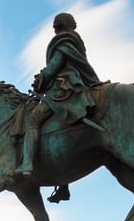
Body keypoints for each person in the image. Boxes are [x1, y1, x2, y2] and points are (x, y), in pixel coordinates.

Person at [16, 12, 102, 202]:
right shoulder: (75, 41)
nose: (54, 29)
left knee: (32, 121)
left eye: (55, 26)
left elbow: (54, 67)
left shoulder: (62, 42)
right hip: (74, 87)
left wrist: (41, 78)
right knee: (62, 131)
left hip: (64, 91)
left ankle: (27, 164)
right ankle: (63, 186)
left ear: (58, 26)